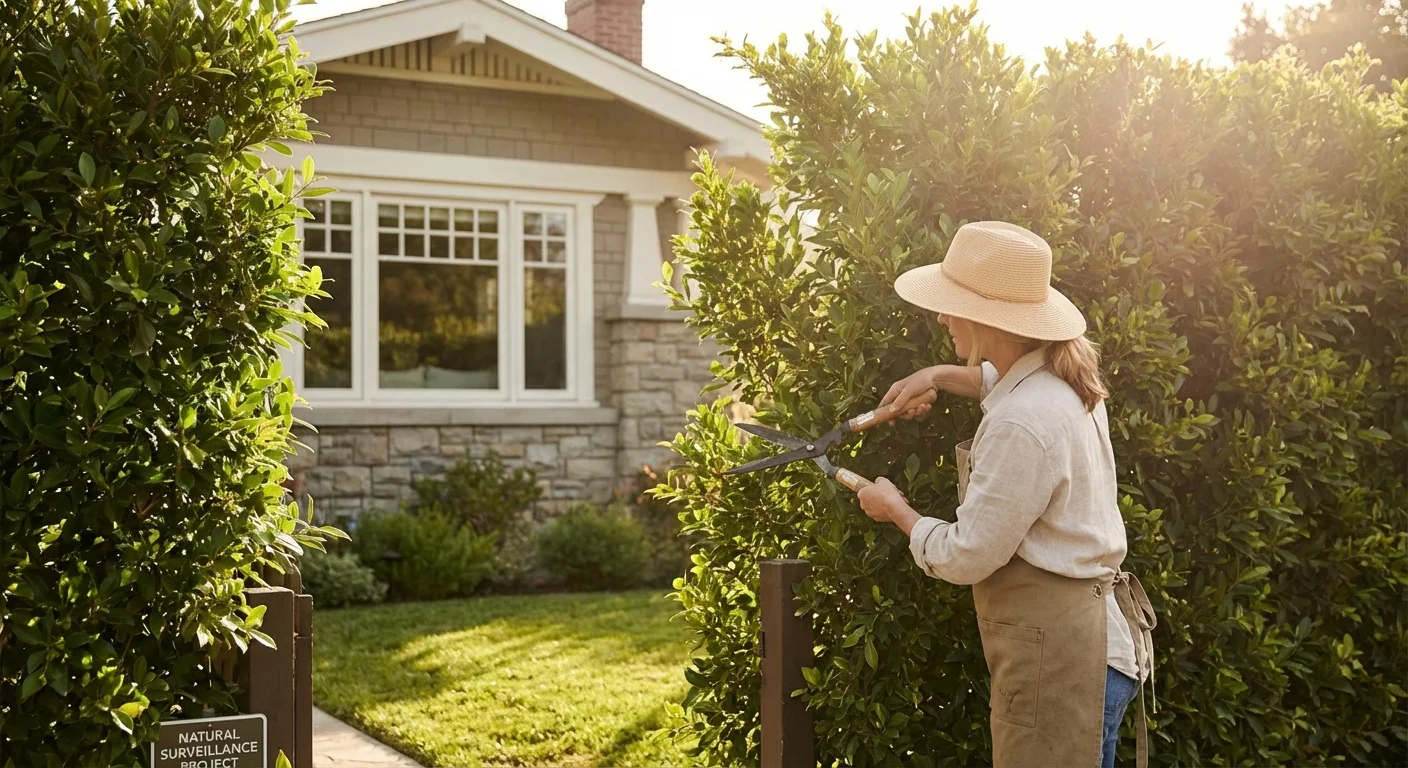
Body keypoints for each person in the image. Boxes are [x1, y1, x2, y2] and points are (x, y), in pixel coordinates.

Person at [856, 221, 1157, 768]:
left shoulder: (1022, 422)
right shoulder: (1064, 381)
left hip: (1063, 663)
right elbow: (1003, 380)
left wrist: (896, 512)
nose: (943, 317)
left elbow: (967, 554)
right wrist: (939, 375)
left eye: (951, 306)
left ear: (986, 318)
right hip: (1094, 647)